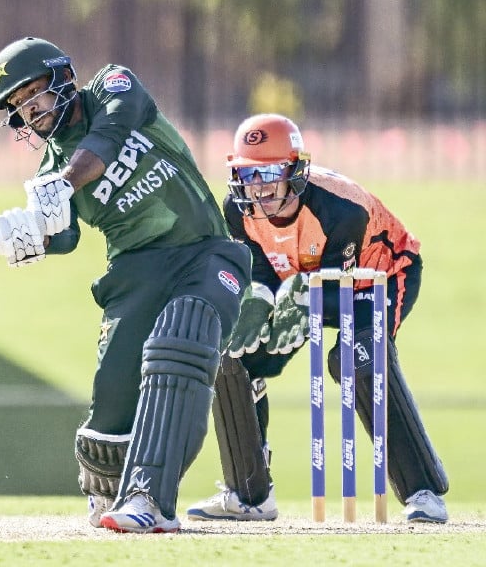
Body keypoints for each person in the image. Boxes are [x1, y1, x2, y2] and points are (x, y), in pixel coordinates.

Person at [0, 36, 253, 533]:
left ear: (62, 77)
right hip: (133, 275)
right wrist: (26, 235)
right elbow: (63, 236)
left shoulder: (113, 86)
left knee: (181, 337)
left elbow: (106, 138)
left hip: (204, 251)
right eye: (18, 106)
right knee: (112, 397)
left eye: (33, 93)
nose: (29, 110)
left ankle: (151, 500)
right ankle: (109, 495)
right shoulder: (49, 170)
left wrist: (64, 184)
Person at [186, 113, 449, 524]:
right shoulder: (237, 211)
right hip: (300, 281)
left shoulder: (340, 209)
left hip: (378, 275)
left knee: (356, 360)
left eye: (270, 173)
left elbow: (336, 287)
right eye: (249, 174)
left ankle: (423, 491)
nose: (260, 188)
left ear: (296, 169)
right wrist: (257, 305)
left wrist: (293, 300)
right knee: (234, 357)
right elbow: (260, 271)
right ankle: (249, 494)